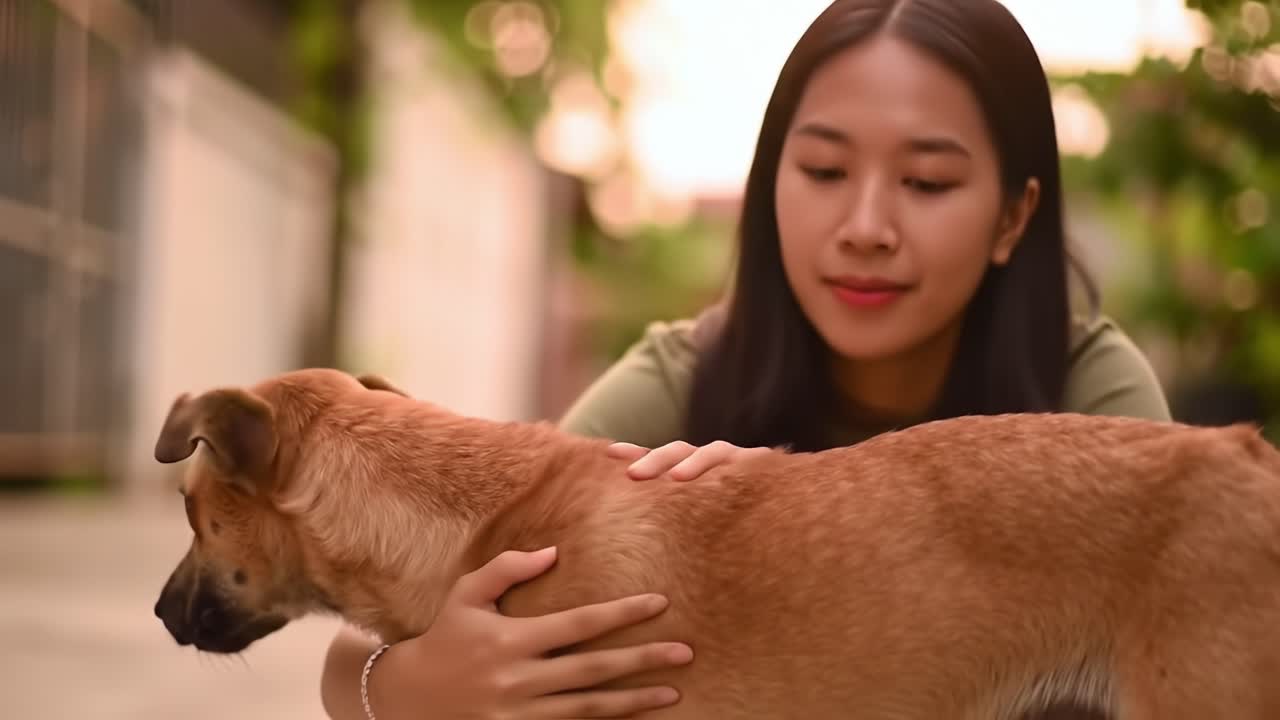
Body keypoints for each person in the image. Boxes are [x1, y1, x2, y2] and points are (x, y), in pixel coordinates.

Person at [320, 0, 1171, 717]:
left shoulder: (1093, 397)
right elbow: (353, 658)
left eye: (927, 183)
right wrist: (410, 684)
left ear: (1013, 219)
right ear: (770, 182)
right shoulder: (684, 377)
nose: (866, 225)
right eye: (825, 169)